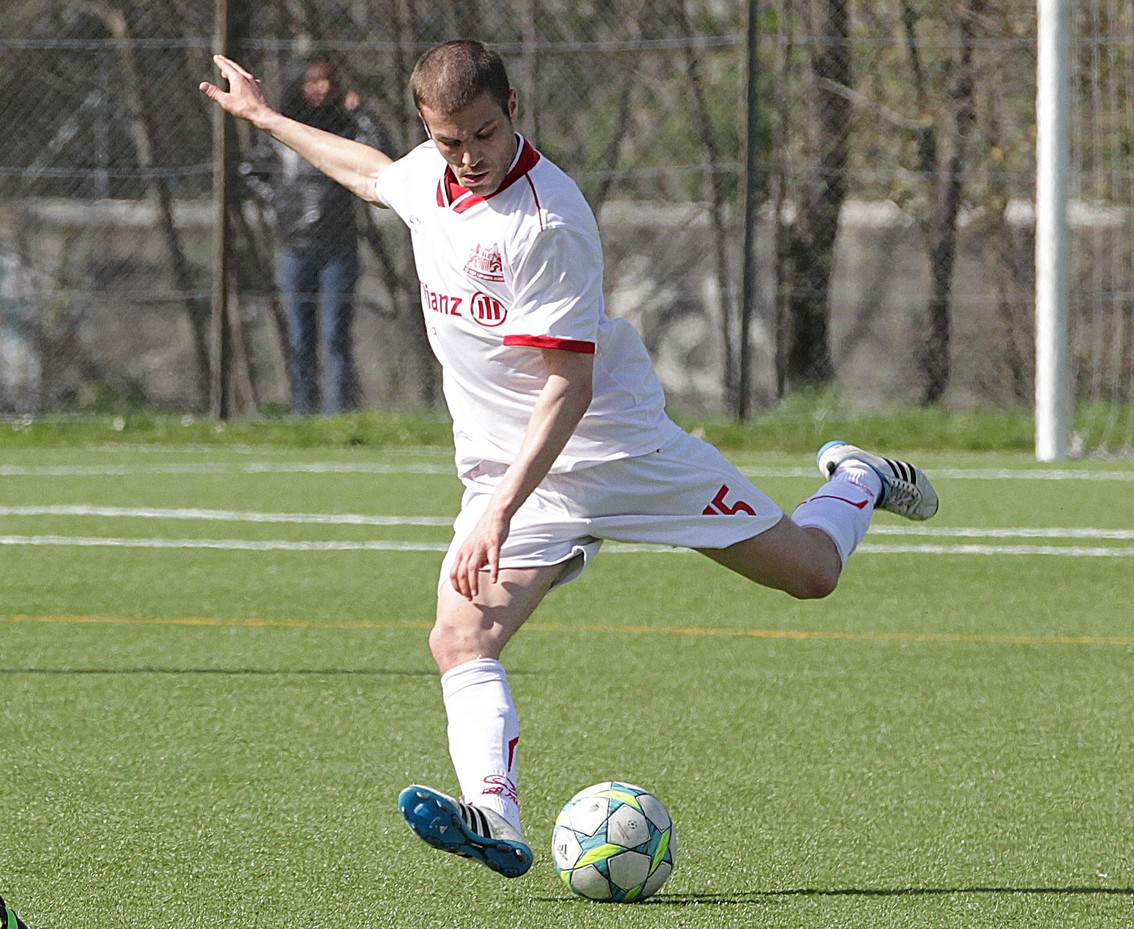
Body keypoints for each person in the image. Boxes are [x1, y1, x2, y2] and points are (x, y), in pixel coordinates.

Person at [200, 40, 939, 879]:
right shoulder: (430, 177)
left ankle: (859, 478)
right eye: (449, 140)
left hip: (617, 449)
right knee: (460, 637)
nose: (469, 157)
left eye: (483, 133)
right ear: (427, 128)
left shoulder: (547, 220)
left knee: (811, 573)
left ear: (512, 109)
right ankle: (496, 815)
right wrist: (264, 118)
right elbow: (371, 173)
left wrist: (500, 511)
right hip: (513, 474)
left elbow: (570, 385)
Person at [241, 54, 391, 415]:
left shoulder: (346, 129)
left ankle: (337, 414)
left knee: (335, 335)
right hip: (295, 248)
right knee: (299, 336)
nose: (321, 88)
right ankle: (302, 412)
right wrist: (281, 200)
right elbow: (250, 170)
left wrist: (362, 114)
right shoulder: (284, 131)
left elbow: (385, 158)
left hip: (339, 247)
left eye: (327, 79)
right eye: (312, 81)